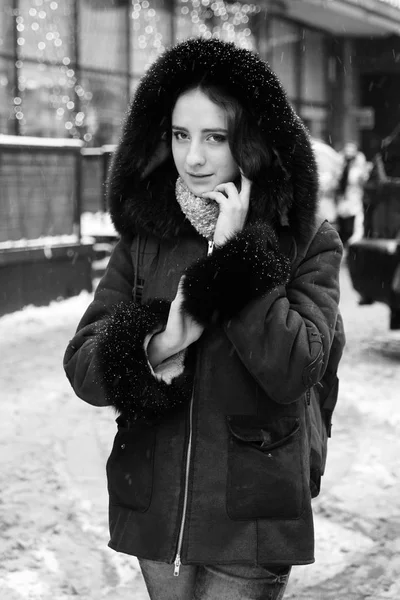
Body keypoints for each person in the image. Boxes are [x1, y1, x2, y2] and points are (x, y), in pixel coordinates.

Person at [63, 38, 345, 600]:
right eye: (180, 135)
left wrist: (238, 257)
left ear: (251, 141)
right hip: (155, 507)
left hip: (252, 514)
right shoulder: (147, 237)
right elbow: (83, 366)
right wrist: (159, 342)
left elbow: (296, 369)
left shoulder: (308, 241)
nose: (193, 158)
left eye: (215, 137)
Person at [335, 141, 371, 247]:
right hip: (343, 196)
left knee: (356, 217)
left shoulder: (359, 163)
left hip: (354, 195)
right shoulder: (341, 162)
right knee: (342, 219)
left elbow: (362, 180)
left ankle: (355, 238)